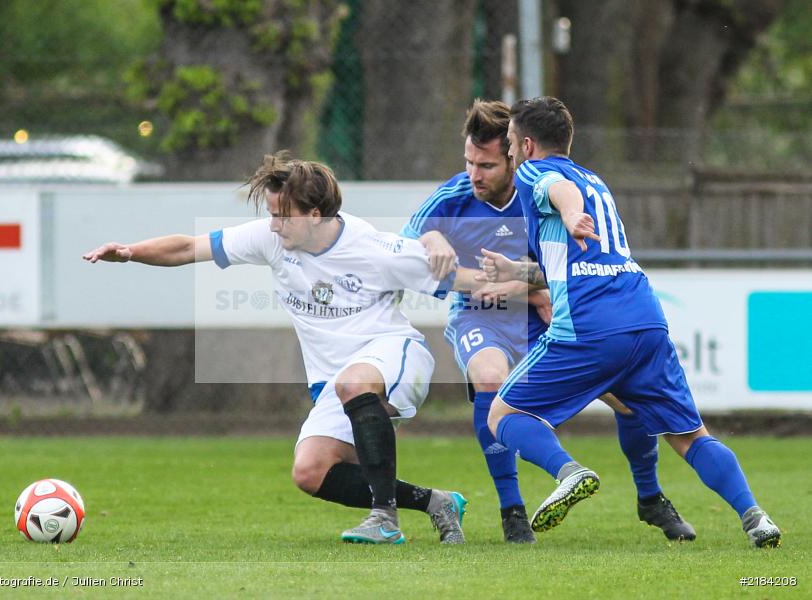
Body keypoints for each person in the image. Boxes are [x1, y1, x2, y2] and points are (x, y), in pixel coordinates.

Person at [83, 153, 482, 545]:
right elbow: (189, 247)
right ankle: (436, 502)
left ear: (315, 214)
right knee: (311, 472)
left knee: (354, 382)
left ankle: (383, 519)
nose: (273, 226)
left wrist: (537, 282)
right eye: (271, 214)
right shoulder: (272, 240)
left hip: (396, 355)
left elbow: (467, 280)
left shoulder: (375, 248)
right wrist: (131, 253)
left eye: (282, 215)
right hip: (336, 383)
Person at [482, 96, 780, 548]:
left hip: (588, 325)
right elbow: (573, 260)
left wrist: (567, 211)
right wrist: (517, 271)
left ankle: (569, 471)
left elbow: (561, 194)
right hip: (645, 318)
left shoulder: (534, 172)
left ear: (526, 144)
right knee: (688, 434)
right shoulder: (596, 181)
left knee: (503, 413)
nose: (508, 152)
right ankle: (755, 516)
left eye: (508, 144)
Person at [401, 99, 695, 543]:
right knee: (489, 379)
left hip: (548, 316)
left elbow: (568, 266)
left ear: (516, 154)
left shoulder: (539, 189)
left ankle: (650, 498)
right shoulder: (456, 195)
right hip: (483, 314)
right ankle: (512, 510)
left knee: (631, 402)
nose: (474, 174)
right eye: (469, 162)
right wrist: (433, 235)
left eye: (486, 164)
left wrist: (525, 289)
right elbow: (411, 245)